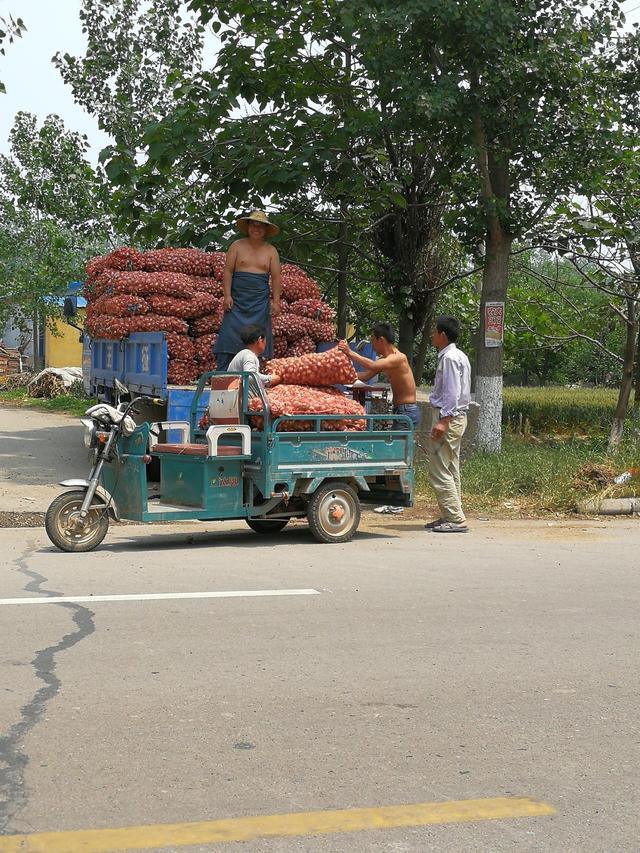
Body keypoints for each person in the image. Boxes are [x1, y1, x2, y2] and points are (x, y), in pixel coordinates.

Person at [214, 210, 282, 371]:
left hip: (259, 301)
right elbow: (228, 271)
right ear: (248, 227)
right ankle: (223, 374)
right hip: (237, 299)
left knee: (258, 336)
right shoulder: (237, 246)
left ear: (265, 230)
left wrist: (276, 302)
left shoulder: (271, 251)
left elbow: (276, 277)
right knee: (229, 336)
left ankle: (257, 375)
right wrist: (227, 295)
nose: (256, 229)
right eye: (253, 225)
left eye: (260, 226)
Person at [424, 315, 471, 534]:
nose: (432, 335)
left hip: (449, 417)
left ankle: (455, 518)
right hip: (456, 417)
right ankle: (450, 514)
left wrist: (444, 420)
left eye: (434, 332)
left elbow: (452, 392)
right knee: (450, 468)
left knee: (438, 468)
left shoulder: (449, 358)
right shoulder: (458, 356)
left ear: (443, 335)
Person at [337, 322, 420, 428]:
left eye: (372, 341)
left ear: (381, 340)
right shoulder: (384, 360)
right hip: (400, 410)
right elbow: (366, 375)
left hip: (407, 410)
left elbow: (372, 365)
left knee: (398, 444)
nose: (372, 345)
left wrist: (349, 352)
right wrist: (341, 375)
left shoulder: (399, 358)